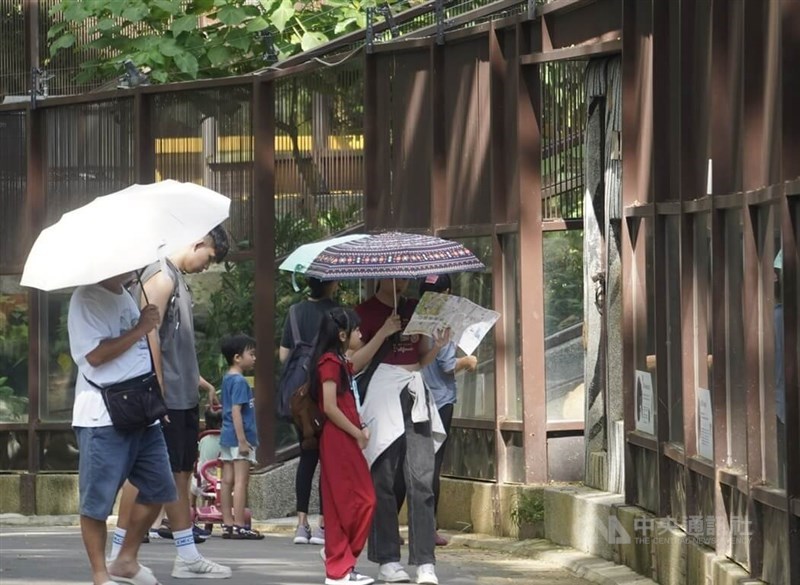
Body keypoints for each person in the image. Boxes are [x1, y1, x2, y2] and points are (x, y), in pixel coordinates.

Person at [112, 226, 232, 579]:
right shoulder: (161, 276)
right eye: (209, 258)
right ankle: (122, 551)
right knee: (149, 474)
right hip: (164, 395)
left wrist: (197, 382)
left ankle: (185, 554)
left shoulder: (174, 276)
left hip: (180, 393)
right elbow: (148, 333)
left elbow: (170, 341)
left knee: (178, 472)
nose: (206, 266)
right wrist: (158, 390)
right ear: (198, 244)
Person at [68, 271, 177, 585]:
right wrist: (141, 327)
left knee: (160, 488)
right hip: (103, 415)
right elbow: (95, 356)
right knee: (97, 502)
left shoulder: (125, 294)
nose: (135, 266)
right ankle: (100, 574)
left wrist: (158, 396)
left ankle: (126, 559)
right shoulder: (86, 298)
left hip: (142, 409)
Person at [356, 278, 449, 585]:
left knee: (421, 480)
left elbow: (421, 359)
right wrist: (384, 330)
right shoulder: (363, 312)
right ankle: (387, 559)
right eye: (396, 278)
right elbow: (353, 364)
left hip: (414, 392)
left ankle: (425, 562)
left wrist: (437, 345)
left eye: (406, 277)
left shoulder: (415, 309)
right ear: (380, 277)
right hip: (383, 394)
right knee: (382, 480)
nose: (403, 283)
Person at [311, 308, 376, 585]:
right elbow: (329, 406)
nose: (361, 333)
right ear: (341, 335)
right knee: (358, 501)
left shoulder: (340, 362)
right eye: (356, 330)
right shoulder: (329, 363)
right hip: (338, 438)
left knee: (352, 502)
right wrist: (357, 433)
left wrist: (359, 428)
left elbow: (357, 364)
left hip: (346, 436)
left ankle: (340, 561)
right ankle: (339, 565)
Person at [418, 275, 478, 546]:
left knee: (414, 465)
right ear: (445, 293)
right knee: (433, 465)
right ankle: (428, 528)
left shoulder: (415, 319)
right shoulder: (443, 321)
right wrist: (467, 361)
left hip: (416, 398)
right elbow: (446, 365)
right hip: (439, 400)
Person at [279, 276, 339, 546]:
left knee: (307, 456)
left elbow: (284, 356)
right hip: (324, 392)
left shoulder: (294, 312)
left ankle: (301, 525)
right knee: (328, 460)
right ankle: (323, 525)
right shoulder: (336, 314)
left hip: (299, 398)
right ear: (332, 284)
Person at [218, 333, 263, 539]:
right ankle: (239, 524)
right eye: (251, 354)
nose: (254, 358)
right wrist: (243, 440)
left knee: (227, 480)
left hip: (227, 435)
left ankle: (227, 523)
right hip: (239, 437)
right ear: (237, 357)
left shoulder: (227, 379)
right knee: (240, 481)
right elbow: (237, 411)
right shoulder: (240, 382)